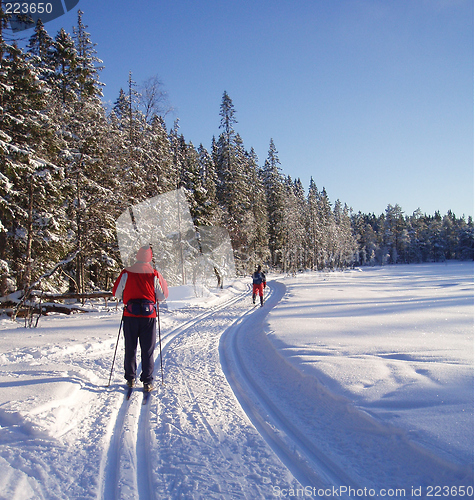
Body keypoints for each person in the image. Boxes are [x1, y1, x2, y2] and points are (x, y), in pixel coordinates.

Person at [112, 245, 168, 392]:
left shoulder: (126, 272)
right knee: (147, 349)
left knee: (130, 348)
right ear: (149, 258)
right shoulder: (154, 274)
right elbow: (162, 296)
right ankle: (147, 381)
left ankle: (130, 378)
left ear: (137, 256)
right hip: (148, 317)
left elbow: (116, 293)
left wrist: (127, 296)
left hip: (130, 315)